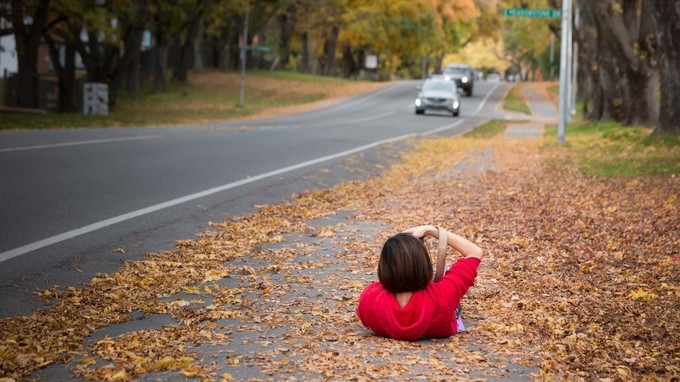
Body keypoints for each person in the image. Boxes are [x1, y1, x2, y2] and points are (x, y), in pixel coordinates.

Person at [356, 225, 483, 341]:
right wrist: (432, 230)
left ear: (384, 267)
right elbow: (474, 252)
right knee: (448, 275)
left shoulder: (369, 299)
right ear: (424, 264)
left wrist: (397, 248)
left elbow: (366, 312)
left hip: (399, 304)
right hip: (439, 310)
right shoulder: (443, 294)